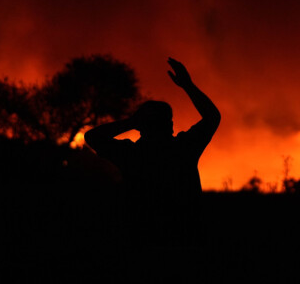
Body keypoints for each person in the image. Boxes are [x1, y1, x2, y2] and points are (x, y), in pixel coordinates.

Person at [84, 58, 220, 214]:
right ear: (170, 126)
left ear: (141, 127)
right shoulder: (183, 148)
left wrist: (132, 122)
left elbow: (93, 137)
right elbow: (212, 117)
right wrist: (187, 85)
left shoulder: (131, 155)